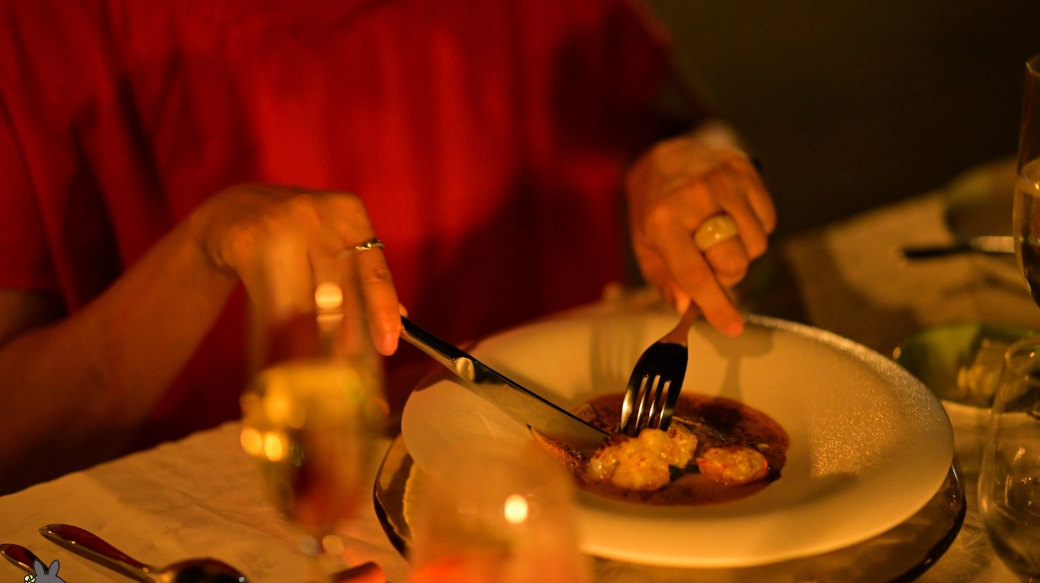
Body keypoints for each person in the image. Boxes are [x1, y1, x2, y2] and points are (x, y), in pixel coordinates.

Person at [0, 0, 774, 492]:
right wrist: (203, 250)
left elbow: (668, 112)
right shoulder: (44, 30)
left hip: (553, 506)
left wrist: (686, 169)